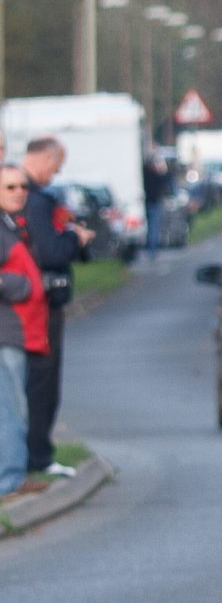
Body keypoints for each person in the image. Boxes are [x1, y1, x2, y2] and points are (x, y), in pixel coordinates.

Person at [19, 136, 88, 480]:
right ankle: (38, 455)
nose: (55, 175)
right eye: (56, 167)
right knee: (42, 381)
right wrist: (74, 238)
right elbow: (49, 253)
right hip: (40, 302)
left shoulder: (25, 197)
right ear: (46, 159)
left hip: (27, 301)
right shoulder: (37, 201)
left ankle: (32, 453)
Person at [0, 167, 45, 497]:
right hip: (6, 332)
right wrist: (20, 285)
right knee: (11, 409)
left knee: (14, 406)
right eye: (10, 186)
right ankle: (9, 480)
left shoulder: (12, 225)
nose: (19, 191)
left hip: (18, 331)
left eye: (23, 186)